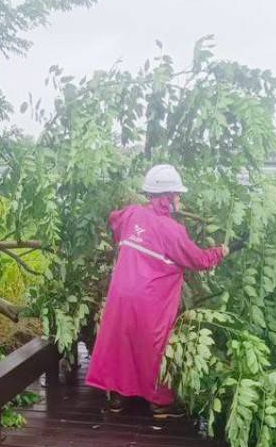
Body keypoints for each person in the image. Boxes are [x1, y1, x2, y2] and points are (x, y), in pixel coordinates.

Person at [85, 164, 229, 418]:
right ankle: (159, 403)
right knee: (154, 346)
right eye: (177, 194)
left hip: (121, 293)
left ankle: (118, 399)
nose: (180, 199)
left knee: (120, 340)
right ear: (167, 198)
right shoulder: (173, 231)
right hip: (150, 299)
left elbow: (113, 219)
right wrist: (221, 252)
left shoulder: (131, 214)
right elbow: (199, 260)